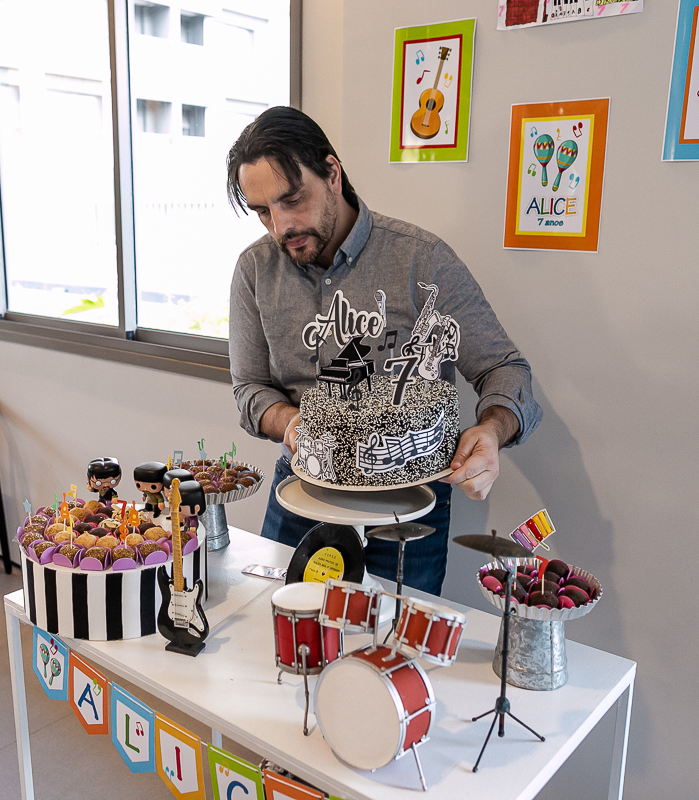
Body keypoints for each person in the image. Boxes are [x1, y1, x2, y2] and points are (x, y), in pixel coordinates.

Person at [225, 107, 543, 596]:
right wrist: (291, 423)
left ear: (332, 173)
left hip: (407, 507)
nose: (281, 225)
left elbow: (505, 368)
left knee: (395, 634)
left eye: (292, 199)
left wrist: (492, 431)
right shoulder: (254, 270)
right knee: (284, 627)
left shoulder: (422, 260)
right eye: (263, 211)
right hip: (303, 490)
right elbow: (250, 388)